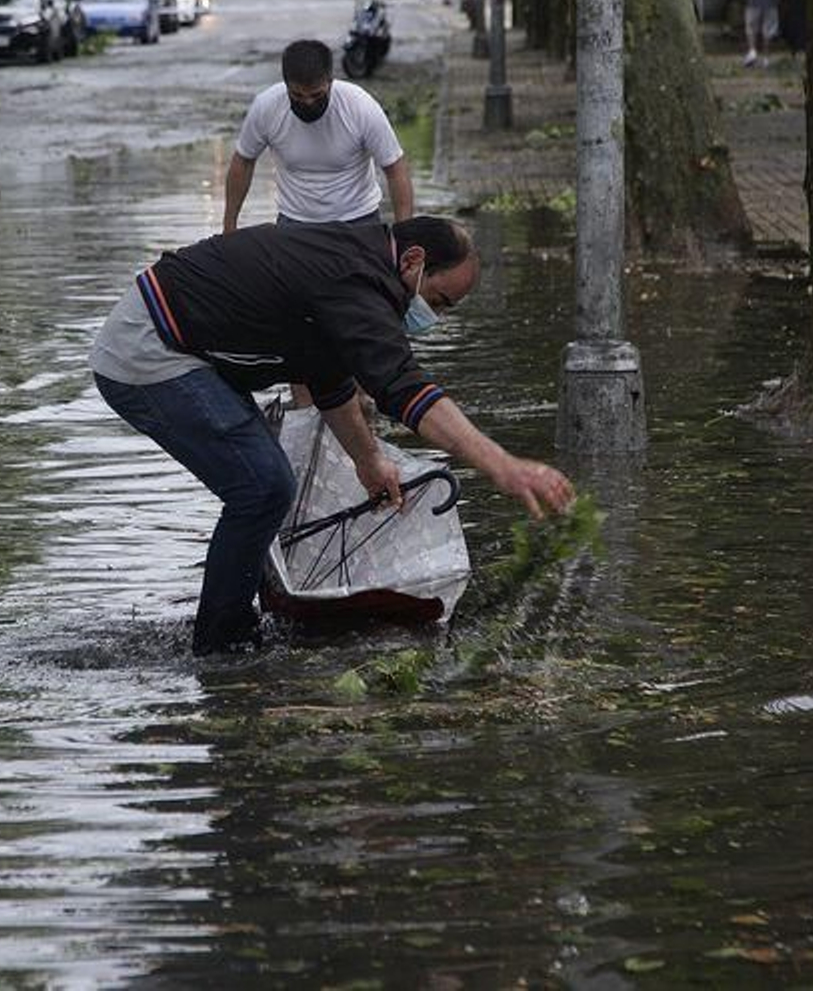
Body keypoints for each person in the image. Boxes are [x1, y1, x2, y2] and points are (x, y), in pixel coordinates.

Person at [90, 215, 575, 656]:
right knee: (263, 487)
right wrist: (503, 467)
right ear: (413, 261)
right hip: (149, 351)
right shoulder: (358, 281)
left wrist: (368, 460)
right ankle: (222, 647)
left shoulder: (359, 266)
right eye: (439, 301)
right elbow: (403, 388)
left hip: (180, 345)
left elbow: (328, 377)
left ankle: (241, 619)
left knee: (265, 485)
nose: (436, 318)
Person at [223, 40, 413, 233]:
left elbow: (395, 169)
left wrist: (404, 236)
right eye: (297, 96)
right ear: (286, 84)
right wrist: (229, 228)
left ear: (330, 82)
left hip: (359, 221)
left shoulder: (360, 106)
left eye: (316, 95)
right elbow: (243, 162)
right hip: (293, 224)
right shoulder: (267, 107)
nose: (308, 103)